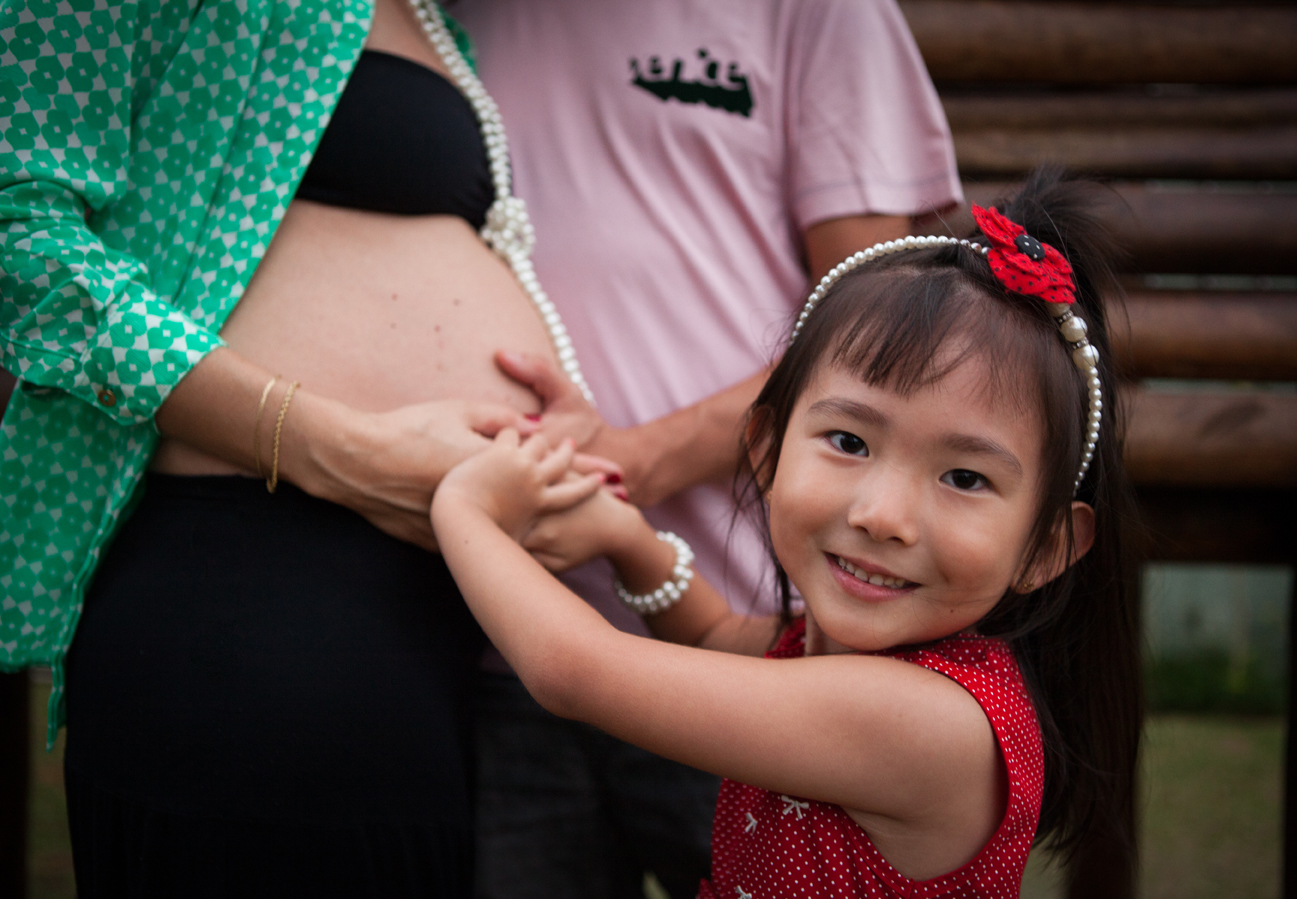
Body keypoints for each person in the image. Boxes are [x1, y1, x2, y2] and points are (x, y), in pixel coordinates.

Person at [0, 0, 614, 894]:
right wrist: (341, 448)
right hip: (247, 576)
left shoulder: (440, 19)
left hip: (425, 622)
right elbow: (19, 238)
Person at [430, 171, 1143, 897]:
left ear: (1046, 548)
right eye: (850, 441)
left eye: (964, 477)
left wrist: (462, 503)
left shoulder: (927, 725)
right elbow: (713, 634)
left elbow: (571, 671)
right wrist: (626, 539)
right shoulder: (829, 651)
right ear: (766, 450)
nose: (882, 515)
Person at [450, 1, 963, 892]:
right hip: (499, 635)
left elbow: (889, 331)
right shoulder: (441, 16)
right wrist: (617, 528)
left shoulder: (820, 12)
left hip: (766, 631)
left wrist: (496, 494)